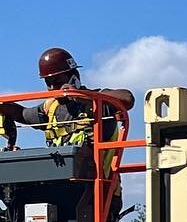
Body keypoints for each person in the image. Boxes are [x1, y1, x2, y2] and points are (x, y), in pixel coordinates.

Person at [1, 47, 135, 153]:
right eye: (49, 83)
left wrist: (82, 96)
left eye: (58, 81)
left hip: (97, 182)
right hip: (62, 182)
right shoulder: (50, 108)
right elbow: (22, 114)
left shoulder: (98, 101)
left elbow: (127, 98)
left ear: (75, 77)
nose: (54, 88)